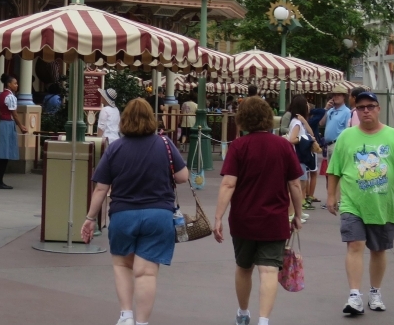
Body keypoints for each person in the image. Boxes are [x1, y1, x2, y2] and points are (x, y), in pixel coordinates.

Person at [81, 99, 189, 325]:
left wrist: (90, 218)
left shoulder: (115, 148)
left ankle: (126, 315)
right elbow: (182, 177)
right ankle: (142, 322)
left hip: (123, 215)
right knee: (146, 273)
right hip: (158, 215)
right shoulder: (165, 144)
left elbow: (101, 187)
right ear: (152, 118)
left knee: (122, 265)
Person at [326, 90, 394, 315]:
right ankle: (355, 295)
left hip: (381, 205)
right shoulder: (347, 136)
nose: (365, 111)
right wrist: (331, 196)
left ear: (378, 108)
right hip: (352, 203)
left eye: (370, 106)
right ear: (356, 110)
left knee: (378, 250)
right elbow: (334, 170)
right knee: (355, 245)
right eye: (361, 107)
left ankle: (374, 292)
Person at [213, 97, 304, 325]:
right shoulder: (283, 146)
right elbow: (295, 184)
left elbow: (228, 184)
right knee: (268, 270)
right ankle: (264, 320)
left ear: (242, 119)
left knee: (244, 268)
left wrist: (218, 217)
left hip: (243, 218)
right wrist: (298, 215)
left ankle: (243, 313)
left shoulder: (238, 146)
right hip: (274, 219)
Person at [0, 75, 28, 189]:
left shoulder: (1, 95)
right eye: (15, 83)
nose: (17, 85)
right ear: (9, 84)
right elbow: (14, 114)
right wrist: (21, 125)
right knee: (4, 153)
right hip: (7, 124)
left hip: (3, 123)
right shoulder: (10, 97)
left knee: (0, 152)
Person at [285, 95, 315, 214]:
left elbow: (311, 133)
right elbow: (292, 139)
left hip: (299, 156)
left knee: (299, 185)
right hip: (299, 156)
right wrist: (304, 138)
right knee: (299, 185)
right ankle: (291, 213)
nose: (308, 106)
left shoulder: (298, 121)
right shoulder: (297, 123)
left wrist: (304, 122)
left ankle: (295, 212)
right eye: (306, 103)